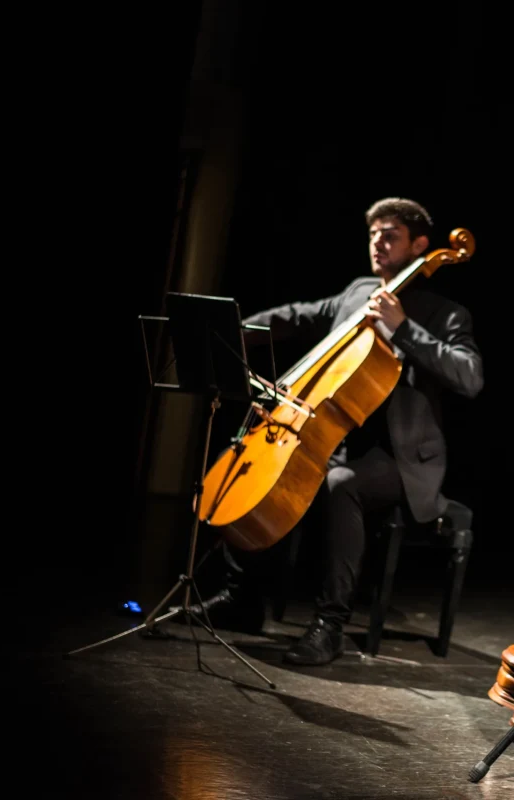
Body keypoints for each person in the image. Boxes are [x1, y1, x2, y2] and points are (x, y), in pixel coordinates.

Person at [188, 197, 484, 666]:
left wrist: (403, 328)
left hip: (400, 457)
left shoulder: (444, 313)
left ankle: (330, 625)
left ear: (420, 245)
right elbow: (299, 315)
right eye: (373, 235)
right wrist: (232, 330)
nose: (378, 243)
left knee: (339, 483)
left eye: (390, 235)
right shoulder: (359, 291)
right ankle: (241, 598)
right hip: (337, 436)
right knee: (267, 473)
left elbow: (469, 376)